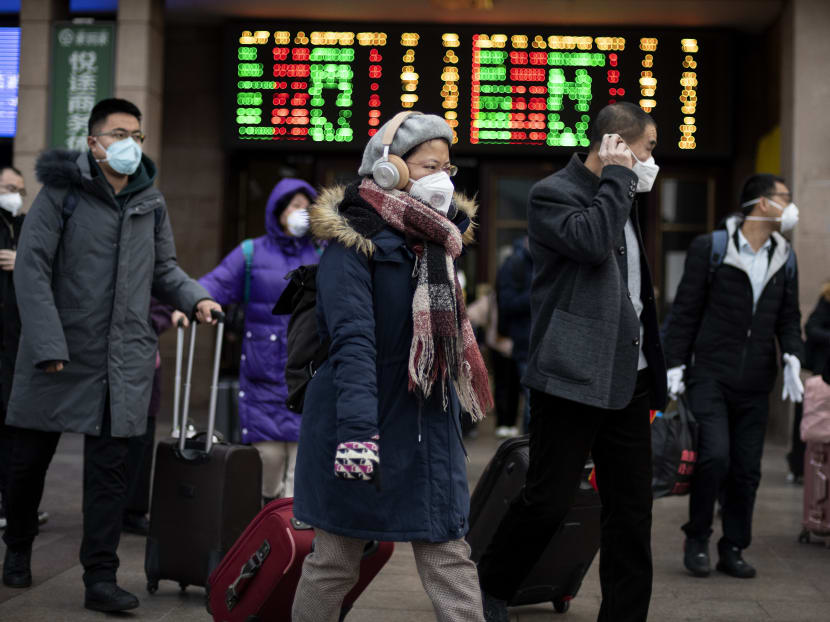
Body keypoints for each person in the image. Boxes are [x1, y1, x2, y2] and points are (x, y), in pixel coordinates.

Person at [0, 98, 221, 612]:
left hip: (121, 358)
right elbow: (31, 271)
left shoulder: (151, 201)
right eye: (118, 133)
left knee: (109, 475)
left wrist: (196, 296)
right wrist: (49, 343)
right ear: (93, 141)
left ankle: (100, 577)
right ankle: (18, 547)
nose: (129, 144)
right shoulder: (61, 194)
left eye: (137, 136)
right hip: (57, 353)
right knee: (29, 463)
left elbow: (165, 270)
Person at [291, 111, 492, 622]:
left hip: (426, 424)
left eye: (448, 167)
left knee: (449, 554)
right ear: (390, 169)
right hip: (360, 419)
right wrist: (358, 434)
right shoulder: (350, 241)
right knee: (334, 560)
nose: (443, 178)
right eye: (430, 165)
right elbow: (353, 340)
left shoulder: (439, 242)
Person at [479, 102, 667, 622]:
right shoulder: (553, 194)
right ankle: (490, 586)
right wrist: (616, 180)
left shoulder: (622, 193)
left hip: (630, 378)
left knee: (631, 510)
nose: (653, 161)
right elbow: (589, 243)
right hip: (570, 374)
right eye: (648, 148)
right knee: (547, 500)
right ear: (616, 145)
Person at [664, 173, 803, 579]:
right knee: (714, 458)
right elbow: (686, 309)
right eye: (785, 198)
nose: (791, 206)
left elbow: (788, 317)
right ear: (763, 203)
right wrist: (675, 364)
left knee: (747, 469)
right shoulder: (712, 248)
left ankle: (734, 546)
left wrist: (793, 354)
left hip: (757, 381)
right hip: (710, 375)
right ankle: (698, 538)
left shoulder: (785, 256)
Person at [197, 178, 320, 502]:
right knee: (268, 463)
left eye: (307, 207)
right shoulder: (251, 253)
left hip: (308, 376)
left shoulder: (324, 253)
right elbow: (216, 283)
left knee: (302, 472)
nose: (301, 213)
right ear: (278, 211)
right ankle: (270, 523)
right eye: (295, 206)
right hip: (263, 376)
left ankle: (294, 538)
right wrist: (192, 303)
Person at [0, 166, 49, 531]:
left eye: (19, 189)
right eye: (7, 188)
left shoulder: (31, 226)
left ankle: (14, 505)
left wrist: (23, 264)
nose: (14, 195)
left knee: (16, 430)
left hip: (19, 344)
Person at [122, 298, 174, 536]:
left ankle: (133, 511)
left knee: (141, 440)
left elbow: (164, 306)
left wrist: (139, 325)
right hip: (105, 359)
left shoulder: (151, 264)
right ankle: (107, 509)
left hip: (143, 361)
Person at [789, 282, 830, 482]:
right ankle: (800, 466)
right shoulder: (827, 298)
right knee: (812, 420)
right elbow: (812, 327)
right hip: (824, 373)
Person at [496, 236, 532, 434]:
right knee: (530, 400)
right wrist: (535, 295)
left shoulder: (545, 260)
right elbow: (507, 302)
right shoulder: (515, 264)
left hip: (539, 340)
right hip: (524, 340)